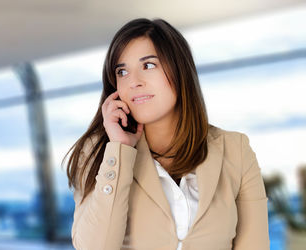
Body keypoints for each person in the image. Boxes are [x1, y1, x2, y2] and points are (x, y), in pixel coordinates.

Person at [63, 17, 270, 250]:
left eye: (148, 65)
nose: (133, 82)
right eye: (122, 72)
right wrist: (119, 151)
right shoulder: (99, 151)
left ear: (179, 70)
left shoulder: (236, 150)